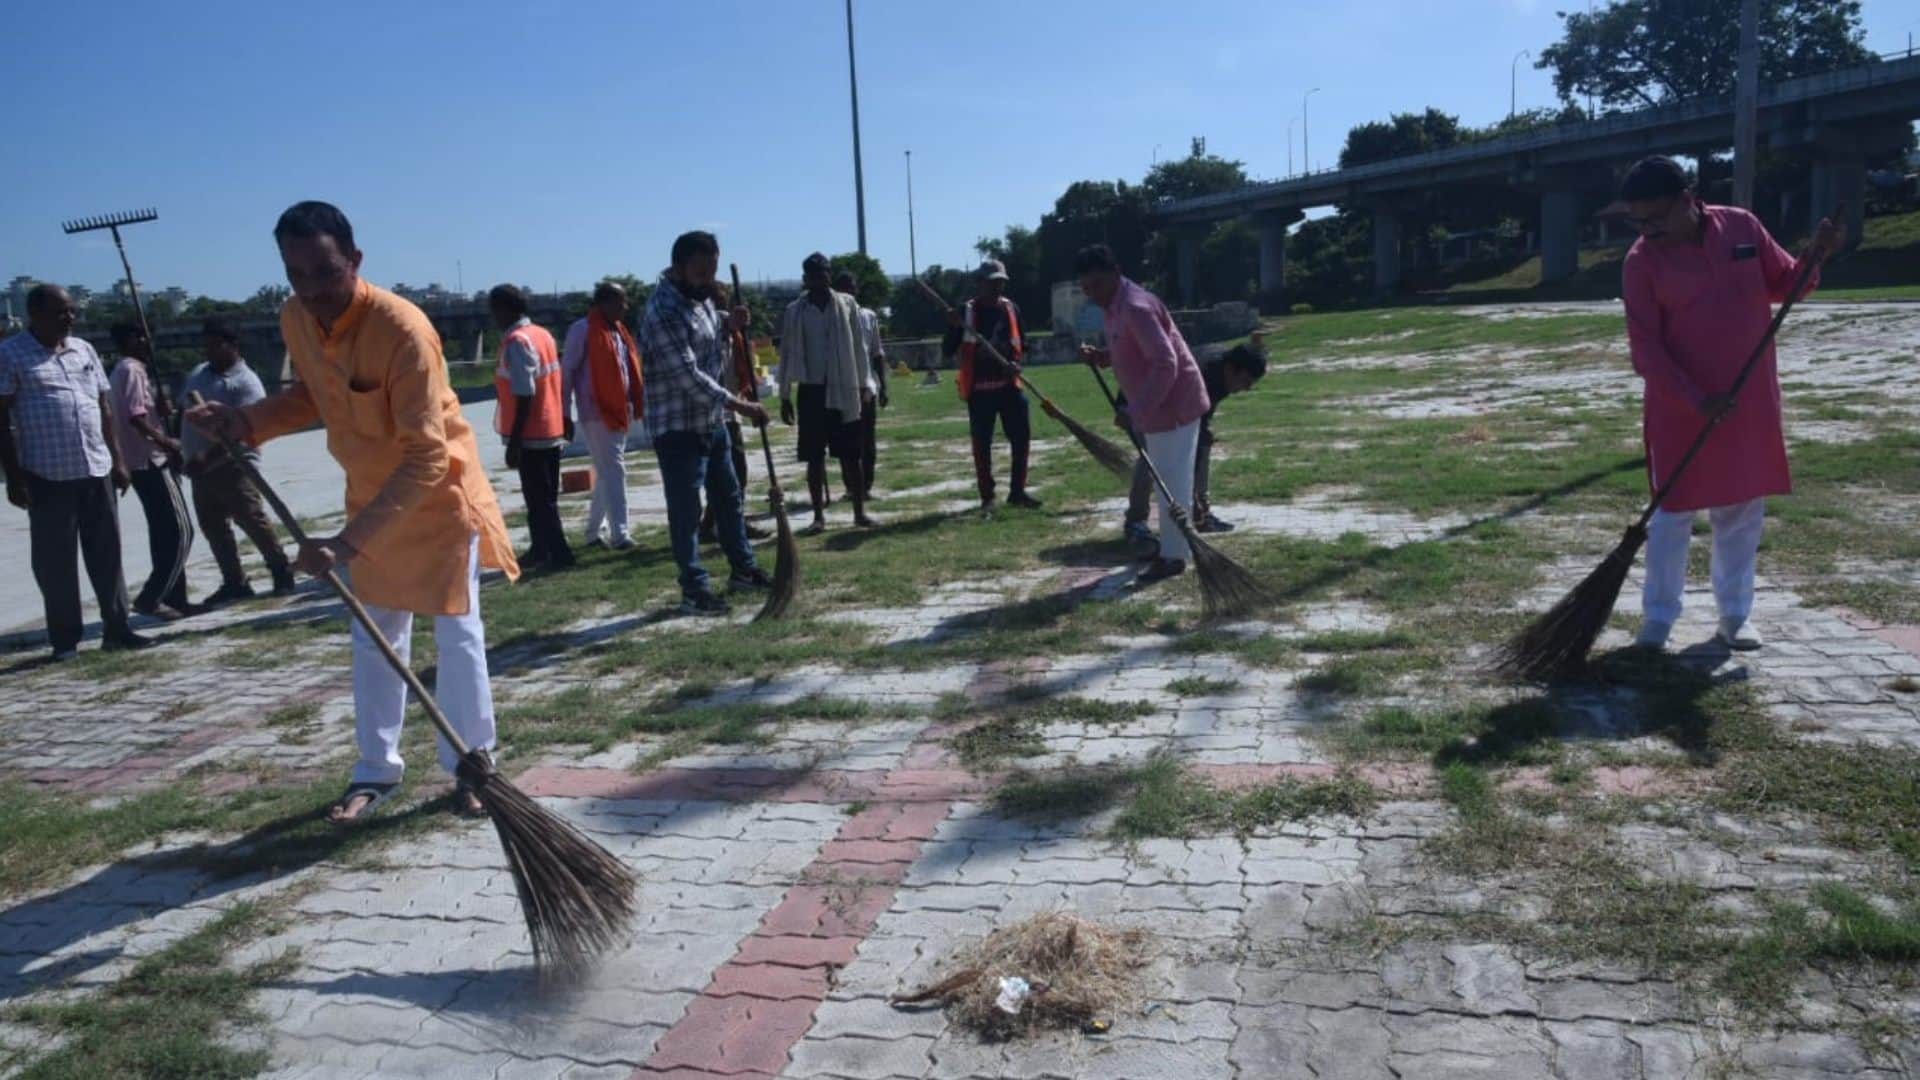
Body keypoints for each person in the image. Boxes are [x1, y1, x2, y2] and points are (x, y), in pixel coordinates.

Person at [188, 201, 518, 824]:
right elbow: (312, 396)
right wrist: (246, 422)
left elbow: (424, 457)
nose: (311, 291)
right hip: (370, 497)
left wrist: (344, 543)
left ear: (355, 260)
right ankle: (376, 769)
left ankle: (473, 765)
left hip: (439, 498)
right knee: (374, 639)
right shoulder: (296, 318)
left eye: (323, 272)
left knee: (457, 637)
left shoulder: (403, 330)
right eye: (296, 276)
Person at [1615, 156, 1844, 652]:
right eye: (1638, 222)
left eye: (1655, 218)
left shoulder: (1741, 226)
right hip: (1680, 408)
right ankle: (1658, 619)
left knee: (1741, 509)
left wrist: (1816, 256)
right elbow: (1646, 350)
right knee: (1672, 514)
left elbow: (1789, 285)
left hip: (1748, 401)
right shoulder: (1641, 262)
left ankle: (1736, 615)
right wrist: (1697, 399)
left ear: (1687, 200)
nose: (1647, 230)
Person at [0, 285, 151, 659]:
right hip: (45, 474)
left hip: (95, 467)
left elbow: (104, 406)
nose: (69, 318)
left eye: (71, 311)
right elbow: (1, 417)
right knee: (56, 562)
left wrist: (117, 460)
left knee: (107, 553)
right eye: (61, 312)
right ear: (35, 313)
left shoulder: (83, 349)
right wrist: (13, 475)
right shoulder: (10, 354)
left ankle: (117, 628)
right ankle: (65, 641)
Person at [636, 230, 774, 616]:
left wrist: (731, 321)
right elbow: (688, 375)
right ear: (679, 268)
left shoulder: (700, 299)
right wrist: (739, 405)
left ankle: (743, 569)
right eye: (701, 271)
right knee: (686, 512)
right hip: (678, 427)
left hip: (712, 422)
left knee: (729, 499)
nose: (708, 280)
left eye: (713, 270)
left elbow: (709, 327)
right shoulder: (662, 310)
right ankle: (693, 589)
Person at [1076, 244, 1211, 584]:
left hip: (1175, 406)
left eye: (1098, 285)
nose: (1094, 295)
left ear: (1116, 274)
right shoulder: (1115, 306)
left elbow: (1167, 363)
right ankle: (1175, 550)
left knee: (1171, 483)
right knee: (1167, 479)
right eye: (1087, 289)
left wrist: (1135, 410)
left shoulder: (1135, 307)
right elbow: (1135, 347)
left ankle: (1175, 556)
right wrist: (1106, 357)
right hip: (1157, 410)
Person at [182, 318, 296, 602]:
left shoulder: (245, 382)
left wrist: (208, 456)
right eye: (205, 345)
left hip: (235, 465)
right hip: (201, 467)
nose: (208, 351)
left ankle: (281, 570)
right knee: (214, 527)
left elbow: (248, 430)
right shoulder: (198, 374)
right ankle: (235, 581)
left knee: (252, 521)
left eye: (215, 345)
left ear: (232, 345)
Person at [1120, 343, 1266, 557]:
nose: (1246, 388)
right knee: (1152, 457)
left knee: (1204, 440)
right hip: (1140, 401)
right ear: (1230, 370)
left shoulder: (1222, 371)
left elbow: (1200, 427)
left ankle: (1202, 513)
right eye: (1245, 381)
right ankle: (1135, 522)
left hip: (1170, 402)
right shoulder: (1205, 376)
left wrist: (1197, 496)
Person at [109, 321, 204, 619]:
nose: (147, 343)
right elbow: (136, 418)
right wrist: (169, 443)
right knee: (181, 531)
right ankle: (152, 596)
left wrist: (161, 412)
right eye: (141, 338)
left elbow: (138, 412)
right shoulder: (134, 369)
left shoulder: (120, 371)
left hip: (137, 461)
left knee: (162, 531)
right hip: (151, 460)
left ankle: (177, 598)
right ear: (128, 341)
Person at [777, 253, 872, 533]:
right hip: (811, 391)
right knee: (814, 457)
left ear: (829, 275)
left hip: (844, 387)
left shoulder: (846, 304)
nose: (819, 278)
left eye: (824, 273)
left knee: (851, 456)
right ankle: (818, 516)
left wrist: (866, 385)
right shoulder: (795, 311)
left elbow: (859, 348)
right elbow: (786, 354)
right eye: (813, 274)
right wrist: (784, 395)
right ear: (806, 278)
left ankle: (859, 513)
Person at [490, 284, 574, 571]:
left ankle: (559, 553)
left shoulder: (517, 341)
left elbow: (524, 393)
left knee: (540, 499)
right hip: (549, 427)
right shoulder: (543, 335)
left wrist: (515, 441)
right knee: (543, 496)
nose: (494, 317)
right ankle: (540, 549)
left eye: (495, 310)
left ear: (506, 309)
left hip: (531, 434)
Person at [944, 259, 1039, 510]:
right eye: (992, 283)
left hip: (1010, 386)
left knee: (1022, 437)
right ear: (979, 283)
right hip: (979, 390)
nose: (997, 288)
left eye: (1001, 283)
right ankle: (987, 497)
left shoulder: (1011, 309)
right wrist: (953, 327)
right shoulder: (965, 311)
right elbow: (947, 350)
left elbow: (1023, 344)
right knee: (982, 444)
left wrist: (1016, 364)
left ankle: (1017, 492)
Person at [561, 281, 644, 551]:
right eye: (621, 302)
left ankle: (594, 532)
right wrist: (564, 413)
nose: (625, 307)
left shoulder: (618, 331)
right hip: (595, 412)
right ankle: (621, 534)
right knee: (614, 469)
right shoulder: (582, 330)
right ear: (604, 303)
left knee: (607, 471)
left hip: (618, 410)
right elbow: (567, 374)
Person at [699, 281, 771, 544]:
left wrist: (750, 400)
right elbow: (720, 326)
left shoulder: (734, 336)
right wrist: (731, 321)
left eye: (724, 302)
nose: (721, 308)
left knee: (734, 474)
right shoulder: (707, 331)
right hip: (712, 414)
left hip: (732, 412)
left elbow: (742, 372)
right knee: (727, 475)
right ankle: (728, 524)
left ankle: (714, 523)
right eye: (716, 302)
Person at [832, 270, 888, 500]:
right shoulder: (831, 317)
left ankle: (866, 486)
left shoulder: (868, 316)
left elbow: (877, 352)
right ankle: (851, 487)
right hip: (841, 388)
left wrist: (883, 384)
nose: (847, 292)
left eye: (850, 287)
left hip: (866, 387)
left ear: (856, 291)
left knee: (867, 440)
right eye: (842, 288)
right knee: (846, 441)